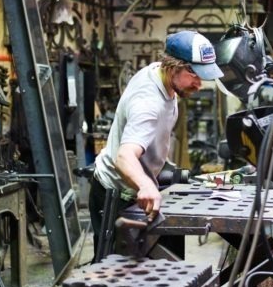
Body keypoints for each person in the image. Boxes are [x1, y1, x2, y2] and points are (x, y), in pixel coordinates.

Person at [89, 30, 223, 255]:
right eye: (195, 76)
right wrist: (146, 185)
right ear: (173, 67)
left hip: (133, 189)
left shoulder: (160, 74)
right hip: (116, 195)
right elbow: (125, 156)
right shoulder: (148, 102)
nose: (199, 85)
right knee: (113, 274)